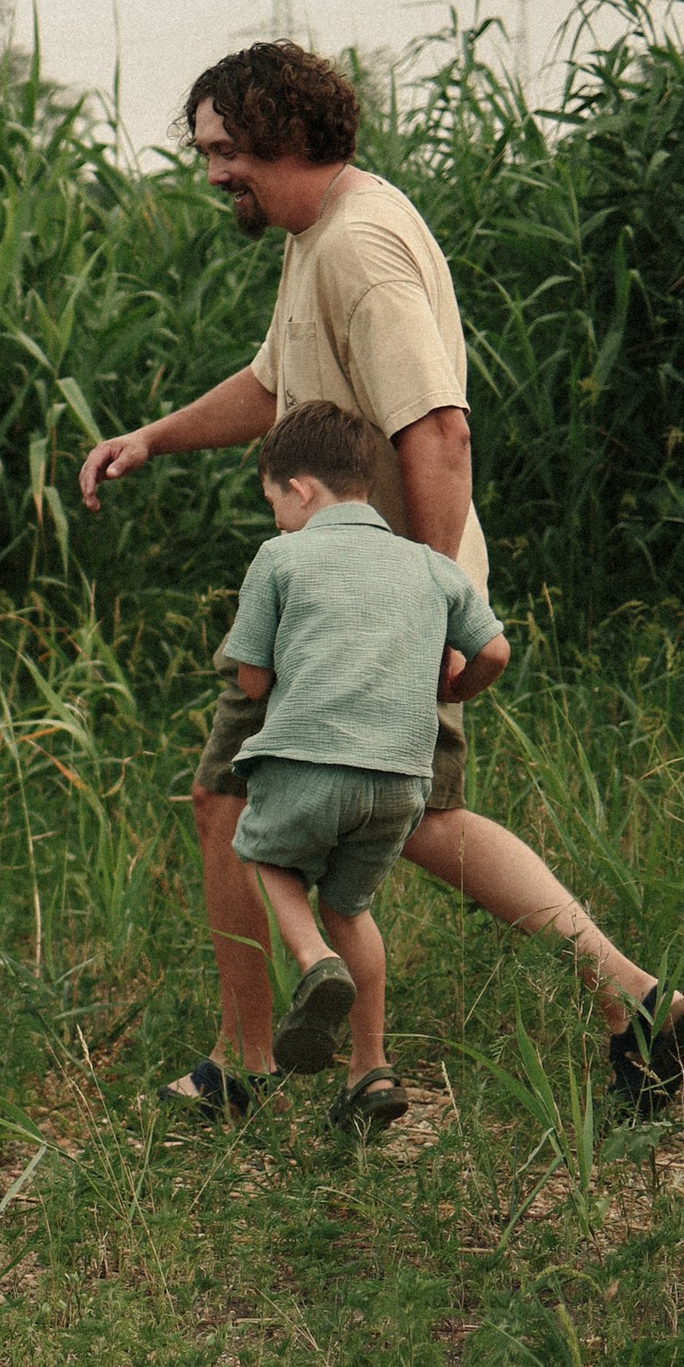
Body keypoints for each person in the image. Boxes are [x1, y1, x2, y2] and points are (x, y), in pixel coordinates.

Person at [76, 40, 684, 1119]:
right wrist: (155, 438)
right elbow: (279, 386)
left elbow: (441, 433)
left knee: (231, 796)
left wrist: (424, 606)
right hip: (379, 597)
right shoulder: (319, 234)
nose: (212, 171)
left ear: (284, 134)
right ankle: (632, 998)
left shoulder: (360, 247)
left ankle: (246, 1061)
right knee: (415, 818)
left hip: (377, 600)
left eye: (224, 149)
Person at [219, 402, 508, 1127]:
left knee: (261, 856)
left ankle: (315, 964)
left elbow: (251, 678)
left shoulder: (280, 557)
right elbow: (495, 651)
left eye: (276, 502)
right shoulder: (427, 565)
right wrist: (454, 686)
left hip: (310, 761)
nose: (279, 518)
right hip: (403, 781)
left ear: (303, 490)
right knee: (351, 906)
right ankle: (371, 1072)